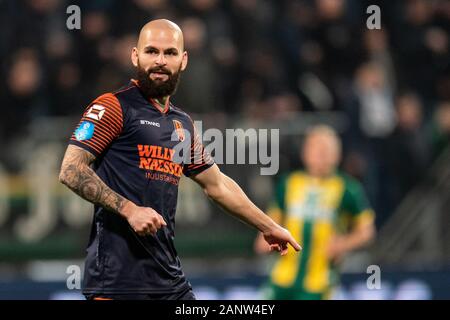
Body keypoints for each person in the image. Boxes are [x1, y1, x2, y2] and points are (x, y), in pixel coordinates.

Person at [58, 19, 300, 300]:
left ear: (183, 60)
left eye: (170, 53)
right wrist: (130, 210)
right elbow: (70, 169)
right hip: (116, 281)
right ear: (135, 55)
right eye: (151, 51)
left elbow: (217, 184)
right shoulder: (113, 106)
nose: (160, 61)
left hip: (168, 280)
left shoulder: (181, 124)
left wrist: (269, 227)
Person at [254, 125, 375, 300]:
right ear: (305, 152)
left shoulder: (349, 189)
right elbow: (271, 221)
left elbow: (367, 231)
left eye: (326, 149)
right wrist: (263, 239)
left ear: (337, 154)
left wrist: (342, 244)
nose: (321, 154)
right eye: (316, 148)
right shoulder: (288, 183)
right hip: (281, 278)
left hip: (319, 283)